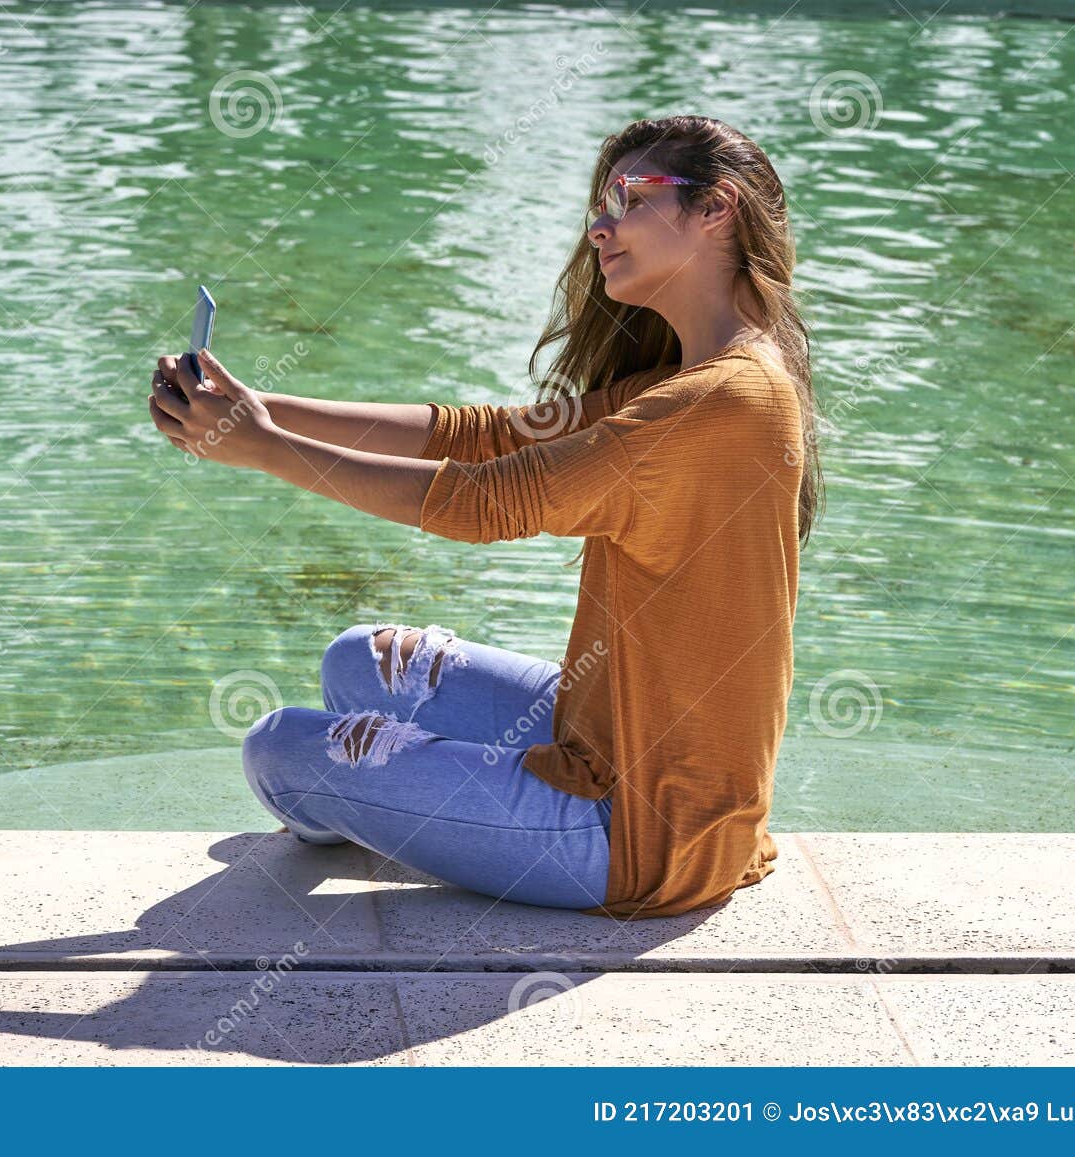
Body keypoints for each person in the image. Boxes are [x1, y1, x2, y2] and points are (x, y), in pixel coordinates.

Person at [147, 114, 823, 920]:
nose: (601, 226)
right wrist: (263, 412)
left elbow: (485, 501)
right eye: (599, 204)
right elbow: (489, 437)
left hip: (635, 834)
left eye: (628, 197)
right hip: (606, 737)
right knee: (355, 661)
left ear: (717, 208)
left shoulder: (717, 401)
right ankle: (409, 794)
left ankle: (373, 797)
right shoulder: (706, 376)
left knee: (280, 749)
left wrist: (265, 451)